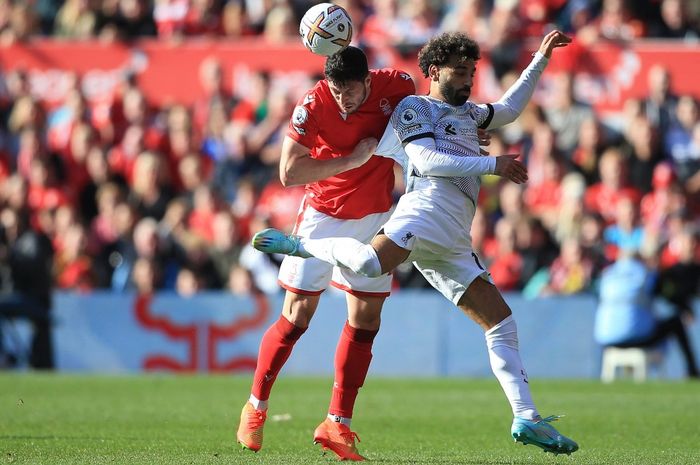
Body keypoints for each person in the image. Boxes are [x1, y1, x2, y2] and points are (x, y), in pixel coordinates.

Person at [253, 31, 580, 455]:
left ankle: (527, 417)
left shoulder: (468, 115)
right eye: (460, 72)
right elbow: (425, 160)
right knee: (370, 264)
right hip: (424, 213)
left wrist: (540, 57)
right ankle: (304, 246)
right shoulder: (414, 107)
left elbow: (511, 109)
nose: (468, 80)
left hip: (454, 237)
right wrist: (491, 164)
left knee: (501, 321)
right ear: (434, 72)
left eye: (472, 72)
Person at [235, 46, 416, 461]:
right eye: (335, 89)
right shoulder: (313, 104)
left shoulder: (397, 85)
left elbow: (427, 119)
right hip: (322, 215)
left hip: (373, 218)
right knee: (297, 315)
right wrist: (353, 160)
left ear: (368, 82)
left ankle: (338, 423)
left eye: (349, 90)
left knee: (366, 318)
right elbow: (288, 172)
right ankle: (256, 406)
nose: (342, 98)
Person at [594, 250, 699, 378]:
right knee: (676, 322)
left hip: (606, 339)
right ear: (640, 260)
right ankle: (692, 370)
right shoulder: (645, 274)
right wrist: (686, 309)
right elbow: (667, 295)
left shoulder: (607, 275)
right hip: (639, 337)